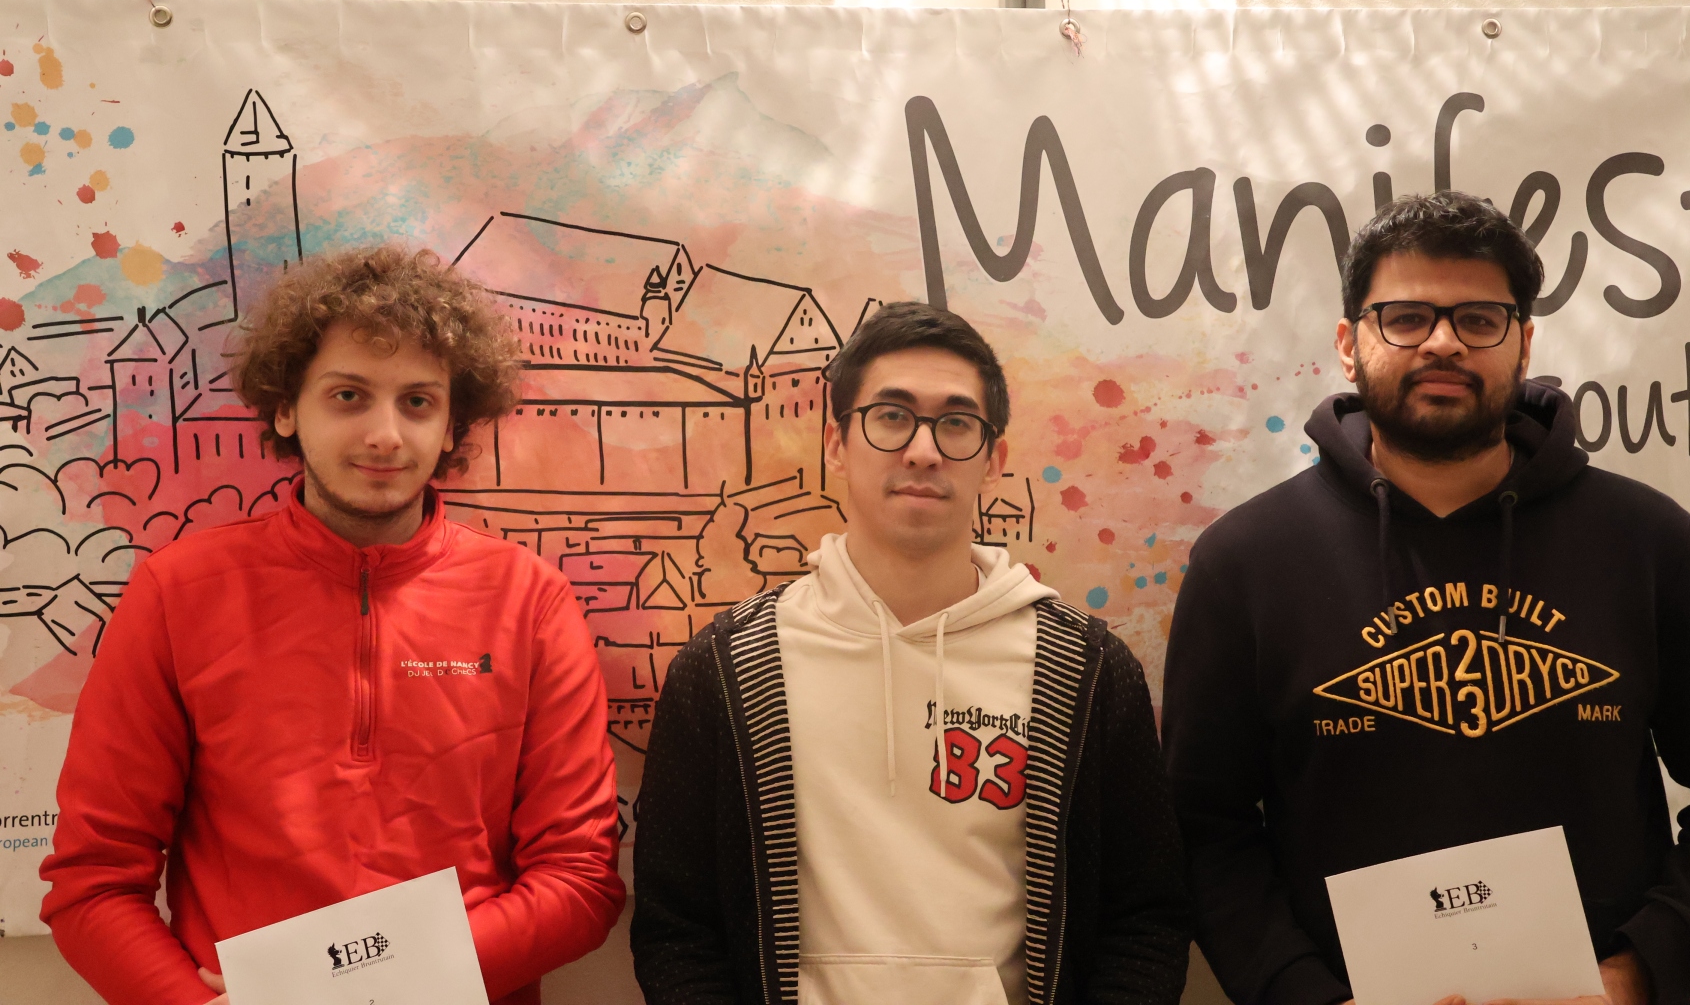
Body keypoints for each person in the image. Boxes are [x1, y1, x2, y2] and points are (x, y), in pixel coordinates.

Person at [1162, 192, 1690, 1005]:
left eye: (1479, 320)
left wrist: (1635, 977)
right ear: (1349, 346)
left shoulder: (1646, 542)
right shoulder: (1244, 562)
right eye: (1405, 318)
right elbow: (1202, 833)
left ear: (1524, 344)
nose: (1443, 342)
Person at [41, 246, 626, 1005]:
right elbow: (92, 881)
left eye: (418, 402)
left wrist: (358, 990)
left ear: (453, 424)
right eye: (349, 396)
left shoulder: (530, 602)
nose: (386, 435)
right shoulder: (175, 595)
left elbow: (580, 881)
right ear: (287, 408)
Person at [631, 301, 1189, 1005]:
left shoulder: (1086, 672)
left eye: (956, 423)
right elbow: (677, 930)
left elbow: (1146, 920)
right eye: (891, 416)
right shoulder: (725, 670)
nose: (923, 450)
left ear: (993, 459)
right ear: (836, 444)